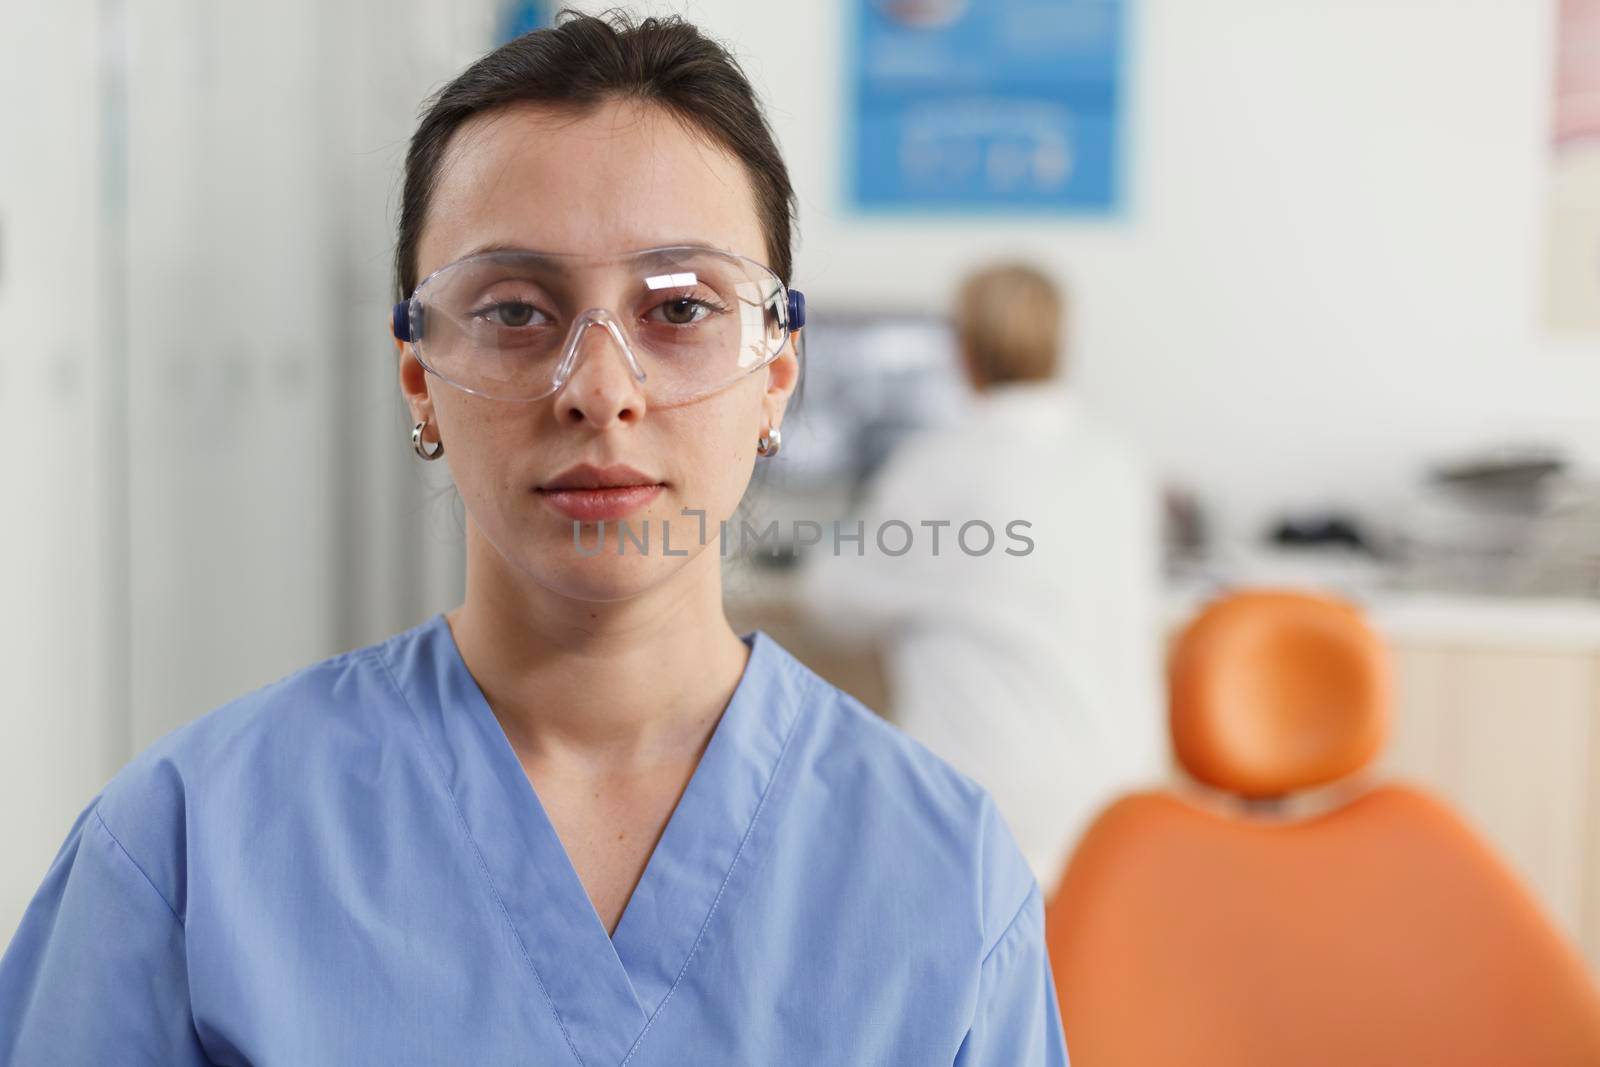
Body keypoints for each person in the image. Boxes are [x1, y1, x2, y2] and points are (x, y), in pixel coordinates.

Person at [0, 13, 1069, 1065]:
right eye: (515, 312)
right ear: (418, 375)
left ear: (776, 373)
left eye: (681, 310)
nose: (600, 391)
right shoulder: (185, 854)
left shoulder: (943, 876)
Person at [800, 262, 1166, 895]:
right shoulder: (1118, 464)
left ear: (962, 352)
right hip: (1120, 803)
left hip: (991, 803)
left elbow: (827, 599)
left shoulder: (940, 467)